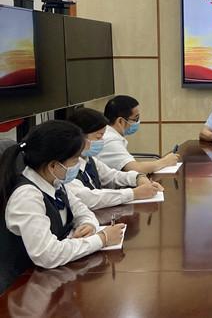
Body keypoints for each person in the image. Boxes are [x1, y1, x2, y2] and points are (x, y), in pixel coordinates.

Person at [0, 120, 125, 273]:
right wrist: (102, 239)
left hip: (56, 272)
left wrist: (88, 224)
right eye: (75, 160)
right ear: (53, 166)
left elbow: (82, 210)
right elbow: (47, 254)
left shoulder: (54, 181)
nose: (78, 165)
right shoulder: (27, 197)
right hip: (24, 279)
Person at [66, 108, 164, 210]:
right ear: (80, 138)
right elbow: (90, 198)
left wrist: (138, 178)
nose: (102, 141)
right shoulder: (67, 168)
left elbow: (112, 176)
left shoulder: (89, 159)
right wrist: (134, 193)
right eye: (98, 137)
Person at [98, 95, 179, 174]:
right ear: (120, 121)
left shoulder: (111, 134)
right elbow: (136, 169)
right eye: (135, 118)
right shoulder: (110, 141)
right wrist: (165, 161)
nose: (137, 122)